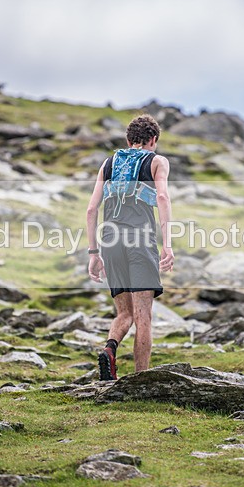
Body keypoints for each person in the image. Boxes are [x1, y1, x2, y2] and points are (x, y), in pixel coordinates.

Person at [85, 114, 174, 380]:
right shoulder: (157, 161)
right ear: (154, 140)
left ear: (128, 140)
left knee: (124, 313)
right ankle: (140, 379)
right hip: (140, 241)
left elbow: (91, 209)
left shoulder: (108, 163)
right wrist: (167, 245)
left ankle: (109, 349)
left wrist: (93, 253)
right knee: (143, 315)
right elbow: (162, 196)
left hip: (110, 242)